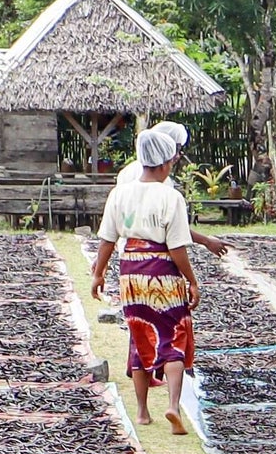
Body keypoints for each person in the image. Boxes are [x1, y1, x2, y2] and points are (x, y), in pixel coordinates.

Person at [91, 126, 201, 435]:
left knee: (139, 334)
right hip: (162, 270)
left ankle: (141, 412)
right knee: (175, 334)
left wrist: (99, 274)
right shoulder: (171, 197)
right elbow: (177, 246)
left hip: (131, 272)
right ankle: (173, 405)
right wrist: (191, 280)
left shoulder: (120, 193)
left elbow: (107, 239)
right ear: (166, 163)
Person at [117, 123, 229, 257]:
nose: (178, 155)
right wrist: (207, 242)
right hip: (154, 256)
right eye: (176, 149)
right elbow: (170, 228)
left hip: (129, 254)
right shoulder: (162, 184)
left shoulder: (128, 171)